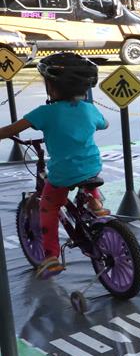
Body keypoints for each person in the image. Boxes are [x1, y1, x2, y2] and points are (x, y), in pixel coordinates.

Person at [0, 53, 109, 278]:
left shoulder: (45, 113)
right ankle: (95, 201)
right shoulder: (90, 109)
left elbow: (11, 130)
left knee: (48, 207)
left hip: (63, 174)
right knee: (87, 174)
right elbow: (105, 124)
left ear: (51, 86)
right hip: (92, 166)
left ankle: (50, 256)